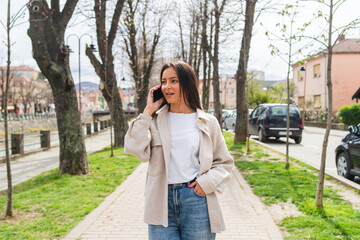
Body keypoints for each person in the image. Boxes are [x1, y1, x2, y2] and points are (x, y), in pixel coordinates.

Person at [124, 60, 234, 239]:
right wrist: (148, 111)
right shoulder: (153, 121)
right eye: (164, 81)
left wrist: (205, 184)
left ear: (187, 83)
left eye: (174, 80)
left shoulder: (208, 122)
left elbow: (224, 163)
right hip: (161, 202)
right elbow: (133, 148)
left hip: (197, 200)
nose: (167, 86)